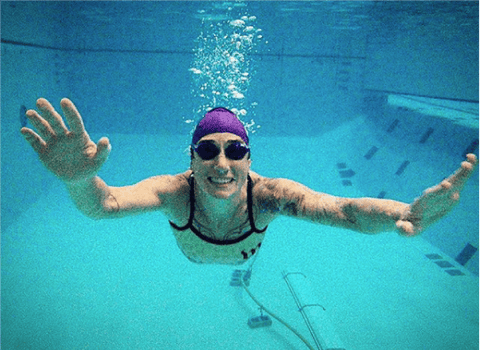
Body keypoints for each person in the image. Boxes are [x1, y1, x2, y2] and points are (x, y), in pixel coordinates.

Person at [20, 98, 478, 265]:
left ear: (249, 157)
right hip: (195, 259)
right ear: (192, 157)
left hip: (245, 254)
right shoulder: (175, 192)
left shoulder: (271, 197)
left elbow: (345, 212)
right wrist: (80, 180)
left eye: (235, 150)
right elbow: (106, 205)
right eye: (208, 149)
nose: (222, 163)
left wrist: (407, 212)